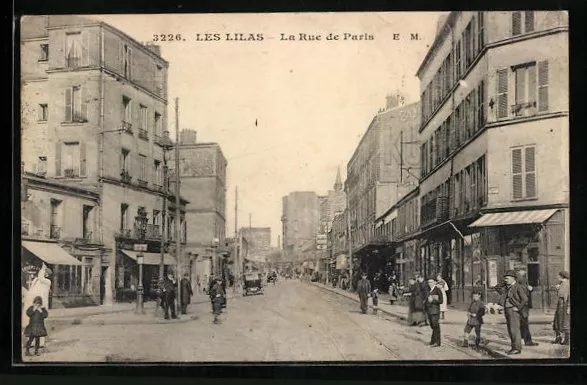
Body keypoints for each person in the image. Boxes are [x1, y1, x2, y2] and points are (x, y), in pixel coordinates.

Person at [496, 270, 528, 355]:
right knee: (510, 330)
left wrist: (518, 308)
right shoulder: (508, 287)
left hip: (513, 311)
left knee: (514, 330)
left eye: (507, 278)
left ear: (513, 278)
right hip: (507, 310)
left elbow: (525, 299)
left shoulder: (518, 287)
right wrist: (504, 282)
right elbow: (497, 287)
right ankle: (513, 348)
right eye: (505, 279)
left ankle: (517, 349)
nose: (505, 280)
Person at [24, 264, 52, 348]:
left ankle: (41, 343)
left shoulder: (47, 281)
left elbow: (41, 278)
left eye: (45, 272)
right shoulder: (36, 280)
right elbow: (31, 289)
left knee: (40, 324)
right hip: (34, 304)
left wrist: (43, 267)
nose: (43, 273)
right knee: (32, 323)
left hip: (41, 305)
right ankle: (31, 342)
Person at [516, 267, 538, 347]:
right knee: (524, 323)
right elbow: (523, 292)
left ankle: (522, 340)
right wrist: (530, 288)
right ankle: (527, 341)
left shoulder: (520, 279)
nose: (525, 272)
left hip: (521, 304)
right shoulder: (520, 280)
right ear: (519, 271)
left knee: (522, 323)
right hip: (523, 305)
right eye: (523, 270)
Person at [553, 271, 570, 345]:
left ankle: (567, 340)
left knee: (565, 322)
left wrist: (569, 307)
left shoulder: (567, 284)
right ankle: (558, 338)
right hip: (560, 304)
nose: (557, 277)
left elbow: (567, 296)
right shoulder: (561, 283)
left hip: (564, 305)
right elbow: (559, 294)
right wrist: (557, 288)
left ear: (562, 276)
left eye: (558, 275)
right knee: (557, 321)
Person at [425, 277, 443, 347]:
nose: (430, 284)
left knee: (435, 326)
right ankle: (433, 341)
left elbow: (441, 301)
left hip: (435, 311)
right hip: (429, 311)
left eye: (431, 282)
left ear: (435, 282)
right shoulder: (428, 290)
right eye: (429, 282)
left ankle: (437, 342)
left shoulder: (438, 290)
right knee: (433, 326)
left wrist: (433, 301)